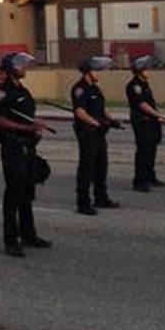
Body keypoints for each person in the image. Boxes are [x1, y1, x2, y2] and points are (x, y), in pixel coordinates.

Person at [0, 52, 52, 257]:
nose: (24, 68)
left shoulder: (22, 89)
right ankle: (11, 240)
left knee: (26, 192)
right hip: (13, 147)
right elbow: (0, 120)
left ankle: (28, 234)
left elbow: (27, 117)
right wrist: (28, 128)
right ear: (10, 69)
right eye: (20, 65)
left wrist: (33, 128)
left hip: (27, 145)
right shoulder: (3, 92)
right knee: (14, 193)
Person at [71, 56, 122, 214]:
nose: (98, 73)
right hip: (87, 133)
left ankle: (101, 197)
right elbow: (80, 112)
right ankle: (83, 202)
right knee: (87, 167)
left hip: (99, 133)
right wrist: (96, 123)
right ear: (87, 72)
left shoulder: (95, 88)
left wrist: (112, 119)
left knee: (101, 165)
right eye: (95, 70)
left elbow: (102, 108)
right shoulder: (79, 89)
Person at [126, 56, 165, 192]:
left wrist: (157, 117)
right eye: (146, 69)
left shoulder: (144, 84)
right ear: (139, 70)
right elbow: (142, 105)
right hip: (142, 122)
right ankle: (140, 181)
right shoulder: (134, 86)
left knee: (151, 150)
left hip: (150, 121)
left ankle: (150, 176)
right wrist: (158, 115)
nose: (149, 71)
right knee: (144, 152)